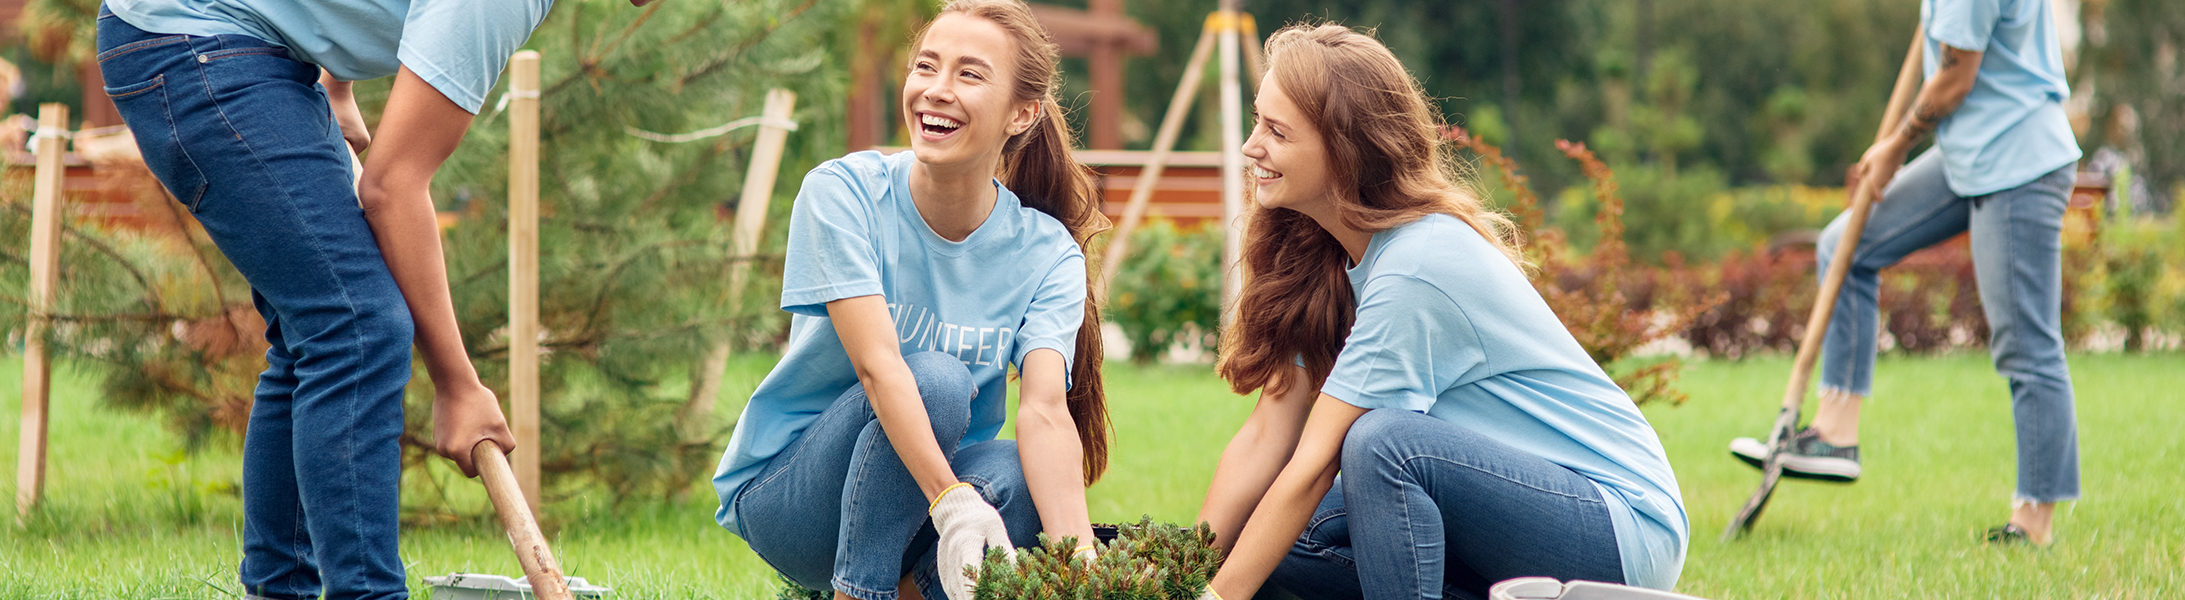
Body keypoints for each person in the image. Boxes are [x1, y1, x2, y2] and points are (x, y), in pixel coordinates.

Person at [94, 0, 645, 596]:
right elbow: (391, 185)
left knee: (321, 330)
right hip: (192, 38)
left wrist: (337, 84)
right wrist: (458, 386)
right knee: (357, 327)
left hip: (212, 37)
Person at [1192, 24, 1687, 600]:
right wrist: (1185, 573)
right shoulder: (1326, 255)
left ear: (1345, 151)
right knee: (1269, 550)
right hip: (1511, 514)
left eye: (1277, 132)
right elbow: (1265, 436)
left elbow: (1315, 463)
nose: (1252, 146)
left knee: (1382, 445)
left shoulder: (1416, 265)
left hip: (1616, 526)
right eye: (1258, 121)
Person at [707, 1, 1110, 598]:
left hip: (918, 503)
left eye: (969, 75)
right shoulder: (842, 193)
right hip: (792, 497)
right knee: (939, 384)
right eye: (926, 67)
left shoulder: (1046, 253)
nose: (936, 90)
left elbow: (1046, 413)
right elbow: (879, 369)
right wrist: (952, 503)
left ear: (1022, 113)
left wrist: (1082, 569)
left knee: (1024, 476)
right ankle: (857, 591)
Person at [1728, 0, 2081, 545]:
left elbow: (1955, 78)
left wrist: (1895, 145)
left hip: (2019, 162)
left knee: (2026, 345)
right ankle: (1835, 430)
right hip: (1969, 152)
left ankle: (2033, 522)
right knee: (1844, 246)